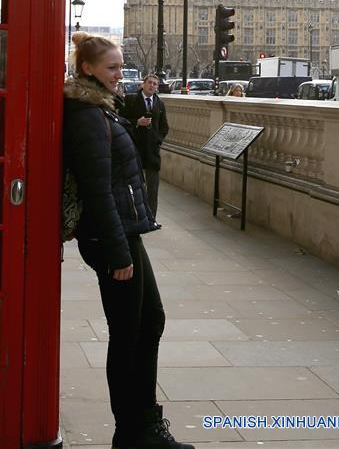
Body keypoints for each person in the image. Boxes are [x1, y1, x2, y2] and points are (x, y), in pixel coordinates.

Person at [63, 32, 193, 449]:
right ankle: (133, 431)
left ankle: (144, 423)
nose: (121, 75)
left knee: (149, 321)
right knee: (128, 331)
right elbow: (97, 190)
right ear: (88, 69)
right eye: (112, 68)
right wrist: (119, 252)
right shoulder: (85, 114)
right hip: (110, 237)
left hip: (125, 230)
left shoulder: (101, 108)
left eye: (121, 66)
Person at [124, 73, 169, 220]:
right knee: (135, 186)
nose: (152, 86)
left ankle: (151, 218)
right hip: (135, 147)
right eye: (149, 82)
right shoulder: (131, 100)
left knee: (153, 187)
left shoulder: (159, 103)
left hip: (152, 150)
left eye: (155, 84)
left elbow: (164, 127)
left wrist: (158, 140)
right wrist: (137, 122)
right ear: (143, 84)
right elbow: (122, 121)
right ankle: (136, 216)